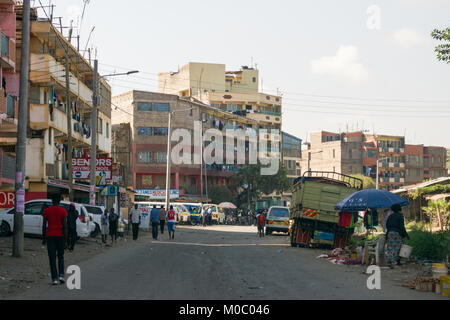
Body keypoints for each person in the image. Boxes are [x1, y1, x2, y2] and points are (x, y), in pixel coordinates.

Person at [42, 194, 68, 285]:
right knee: (60, 256)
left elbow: (44, 225)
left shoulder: (46, 211)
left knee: (52, 258)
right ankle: (61, 275)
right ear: (59, 201)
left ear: (52, 201)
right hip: (60, 236)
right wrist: (65, 241)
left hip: (50, 236)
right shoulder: (63, 211)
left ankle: (54, 279)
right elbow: (65, 226)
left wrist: (43, 238)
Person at [385, 204, 409, 268]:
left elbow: (387, 225)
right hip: (397, 233)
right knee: (398, 248)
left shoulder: (390, 216)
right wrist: (406, 234)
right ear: (399, 209)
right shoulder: (400, 216)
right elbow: (402, 226)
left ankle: (390, 261)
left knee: (390, 247)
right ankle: (396, 261)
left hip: (390, 233)